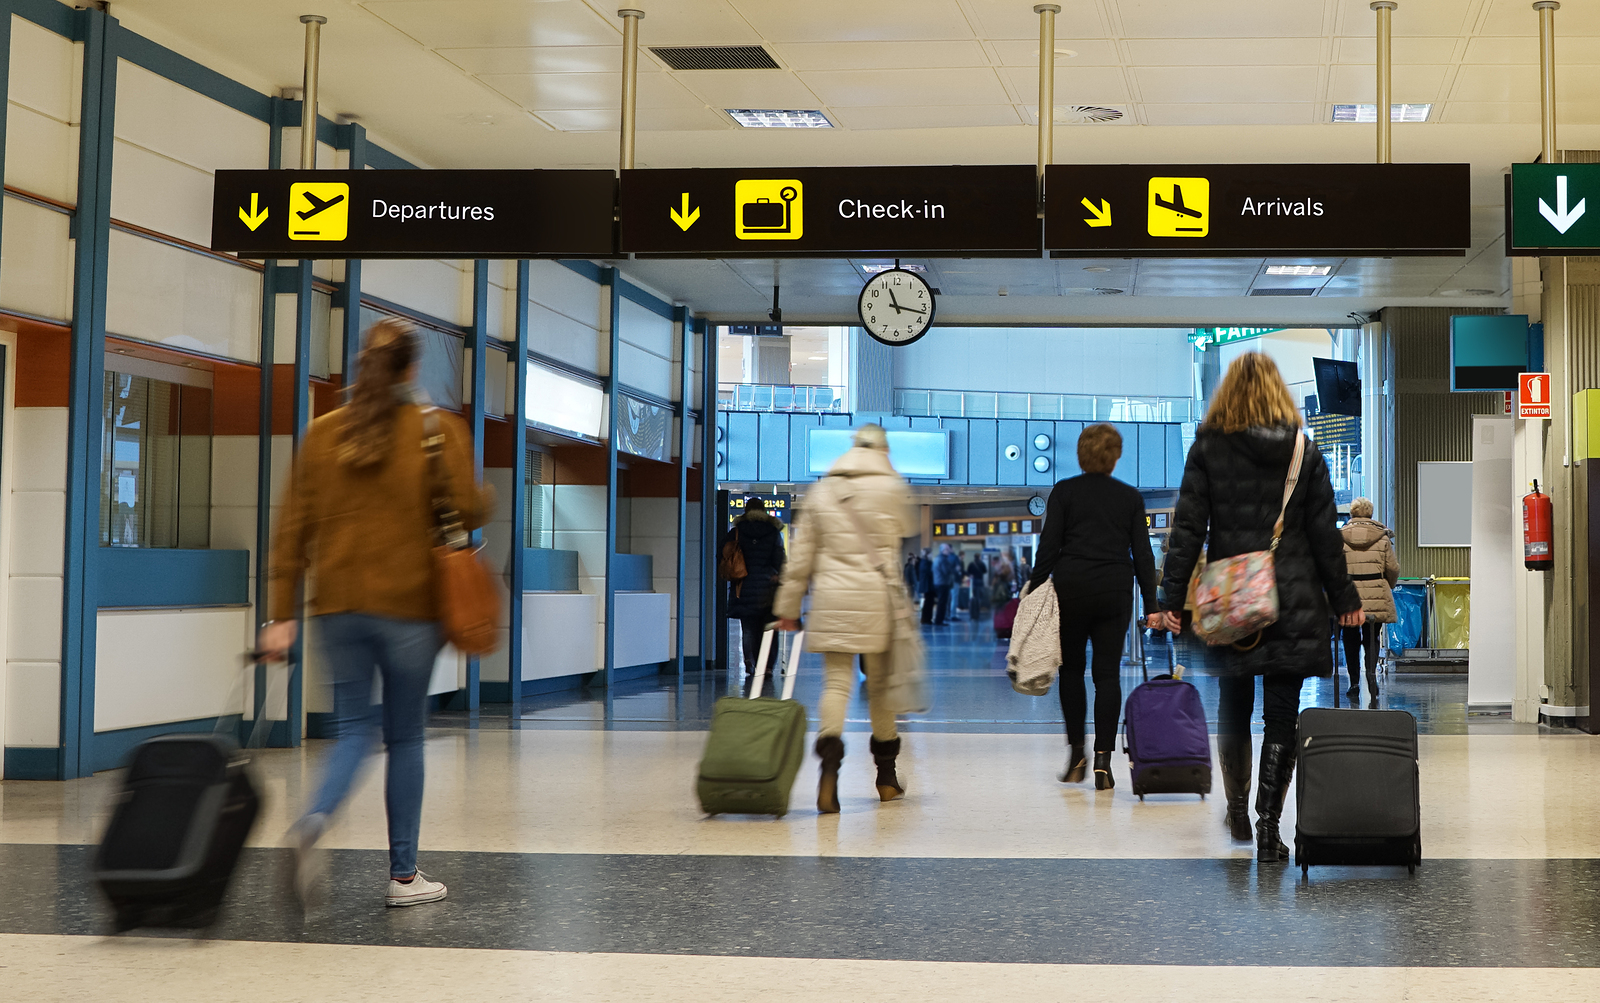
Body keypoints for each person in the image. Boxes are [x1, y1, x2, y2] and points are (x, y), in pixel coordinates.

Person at [262, 319, 492, 908]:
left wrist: (280, 615)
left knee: (352, 730)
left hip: (337, 608)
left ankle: (314, 819)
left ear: (362, 366)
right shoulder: (436, 429)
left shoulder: (322, 434)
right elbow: (470, 510)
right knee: (405, 736)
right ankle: (404, 877)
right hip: (411, 610)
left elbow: (290, 532)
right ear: (412, 368)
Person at [1150, 352, 1361, 863]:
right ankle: (1270, 827)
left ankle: (1238, 811)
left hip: (1232, 600)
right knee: (1283, 714)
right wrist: (1345, 599)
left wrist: (1171, 600)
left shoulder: (1208, 448)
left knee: (1234, 705)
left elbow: (1187, 531)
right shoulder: (1303, 451)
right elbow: (1324, 536)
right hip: (1292, 598)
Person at [773, 424, 918, 814]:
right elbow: (909, 527)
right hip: (877, 603)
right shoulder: (890, 487)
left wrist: (788, 609)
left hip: (831, 602)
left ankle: (828, 775)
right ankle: (886, 779)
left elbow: (800, 560)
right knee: (881, 689)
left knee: (836, 685)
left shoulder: (822, 491)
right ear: (883, 450)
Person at [1026, 424, 1160, 790]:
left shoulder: (1064, 492)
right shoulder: (1130, 497)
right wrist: (1151, 604)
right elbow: (1143, 554)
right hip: (1114, 591)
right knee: (1107, 675)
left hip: (1071, 589)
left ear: (1081, 455)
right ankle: (1103, 763)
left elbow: (1048, 547)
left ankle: (1077, 757)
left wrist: (1034, 590)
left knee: (1071, 672)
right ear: (1115, 457)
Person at [721, 496, 787, 693]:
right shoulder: (773, 532)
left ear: (746, 511)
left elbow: (723, 555)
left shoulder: (737, 532)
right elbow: (780, 560)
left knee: (749, 628)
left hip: (744, 586)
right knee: (770, 629)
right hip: (768, 587)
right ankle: (768, 666)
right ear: (764, 511)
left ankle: (750, 664)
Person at [1340, 497, 1399, 706]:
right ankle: (1371, 676)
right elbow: (1392, 568)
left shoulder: (1339, 537)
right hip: (1376, 594)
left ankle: (1354, 682)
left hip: (1349, 596)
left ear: (1352, 514)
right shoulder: (1382, 538)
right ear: (1371, 514)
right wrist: (1388, 584)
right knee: (1372, 637)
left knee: (1349, 638)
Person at [932, 543, 961, 625]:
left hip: (938, 582)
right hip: (943, 583)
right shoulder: (943, 559)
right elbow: (946, 571)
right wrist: (955, 570)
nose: (949, 551)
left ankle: (940, 619)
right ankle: (939, 621)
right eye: (947, 550)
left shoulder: (937, 558)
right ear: (943, 550)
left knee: (942, 602)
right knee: (942, 603)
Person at [918, 547, 937, 624]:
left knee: (928, 602)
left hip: (927, 585)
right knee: (928, 603)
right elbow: (930, 573)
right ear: (928, 554)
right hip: (928, 586)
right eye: (931, 553)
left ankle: (927, 619)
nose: (932, 555)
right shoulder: (926, 563)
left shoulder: (924, 562)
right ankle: (926, 619)